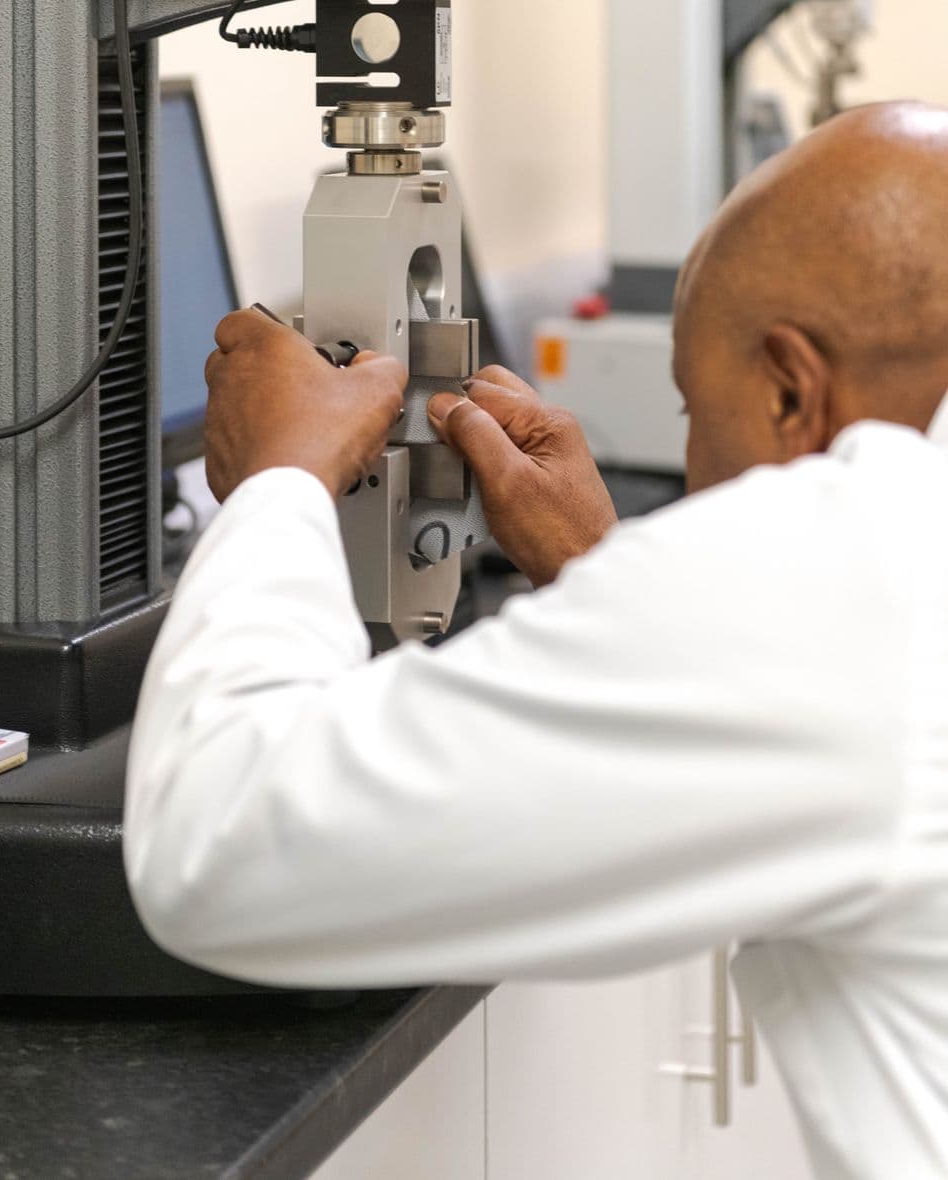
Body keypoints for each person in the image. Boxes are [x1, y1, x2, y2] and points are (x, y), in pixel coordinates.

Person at [125, 101, 948, 1180]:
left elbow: (218, 843)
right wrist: (612, 580)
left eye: (695, 410)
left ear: (794, 389)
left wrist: (284, 475)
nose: (692, 457)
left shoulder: (854, 566)